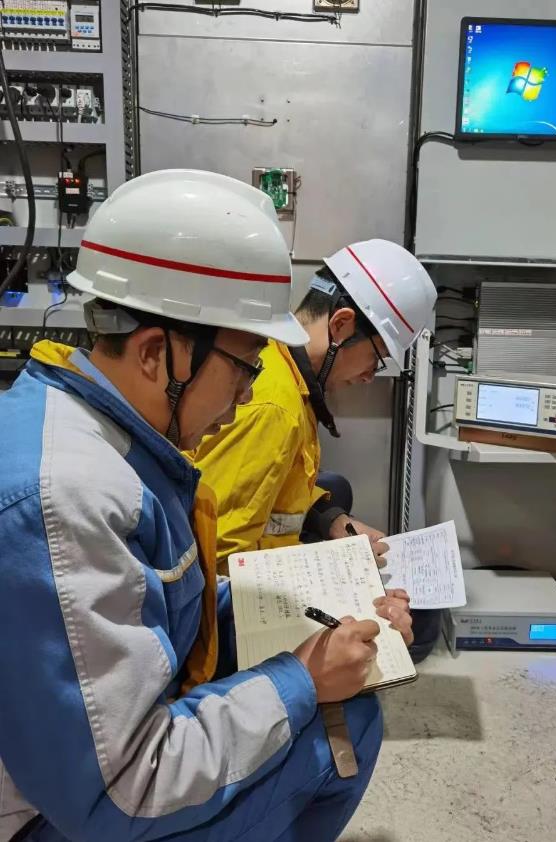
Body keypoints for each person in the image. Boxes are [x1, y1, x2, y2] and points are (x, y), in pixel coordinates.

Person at [0, 170, 413, 842]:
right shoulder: (65, 500)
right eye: (246, 365)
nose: (248, 396)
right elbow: (123, 792)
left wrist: (329, 603)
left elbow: (164, 596)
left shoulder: (102, 432)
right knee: (345, 730)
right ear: (156, 354)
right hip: (55, 815)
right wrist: (303, 677)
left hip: (88, 769)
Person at [192, 238, 443, 663]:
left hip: (267, 567)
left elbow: (281, 487)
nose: (369, 376)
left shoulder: (283, 368)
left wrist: (333, 521)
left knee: (338, 492)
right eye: (377, 357)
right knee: (408, 628)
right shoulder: (275, 407)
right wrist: (341, 589)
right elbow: (216, 560)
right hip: (230, 612)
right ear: (342, 324)